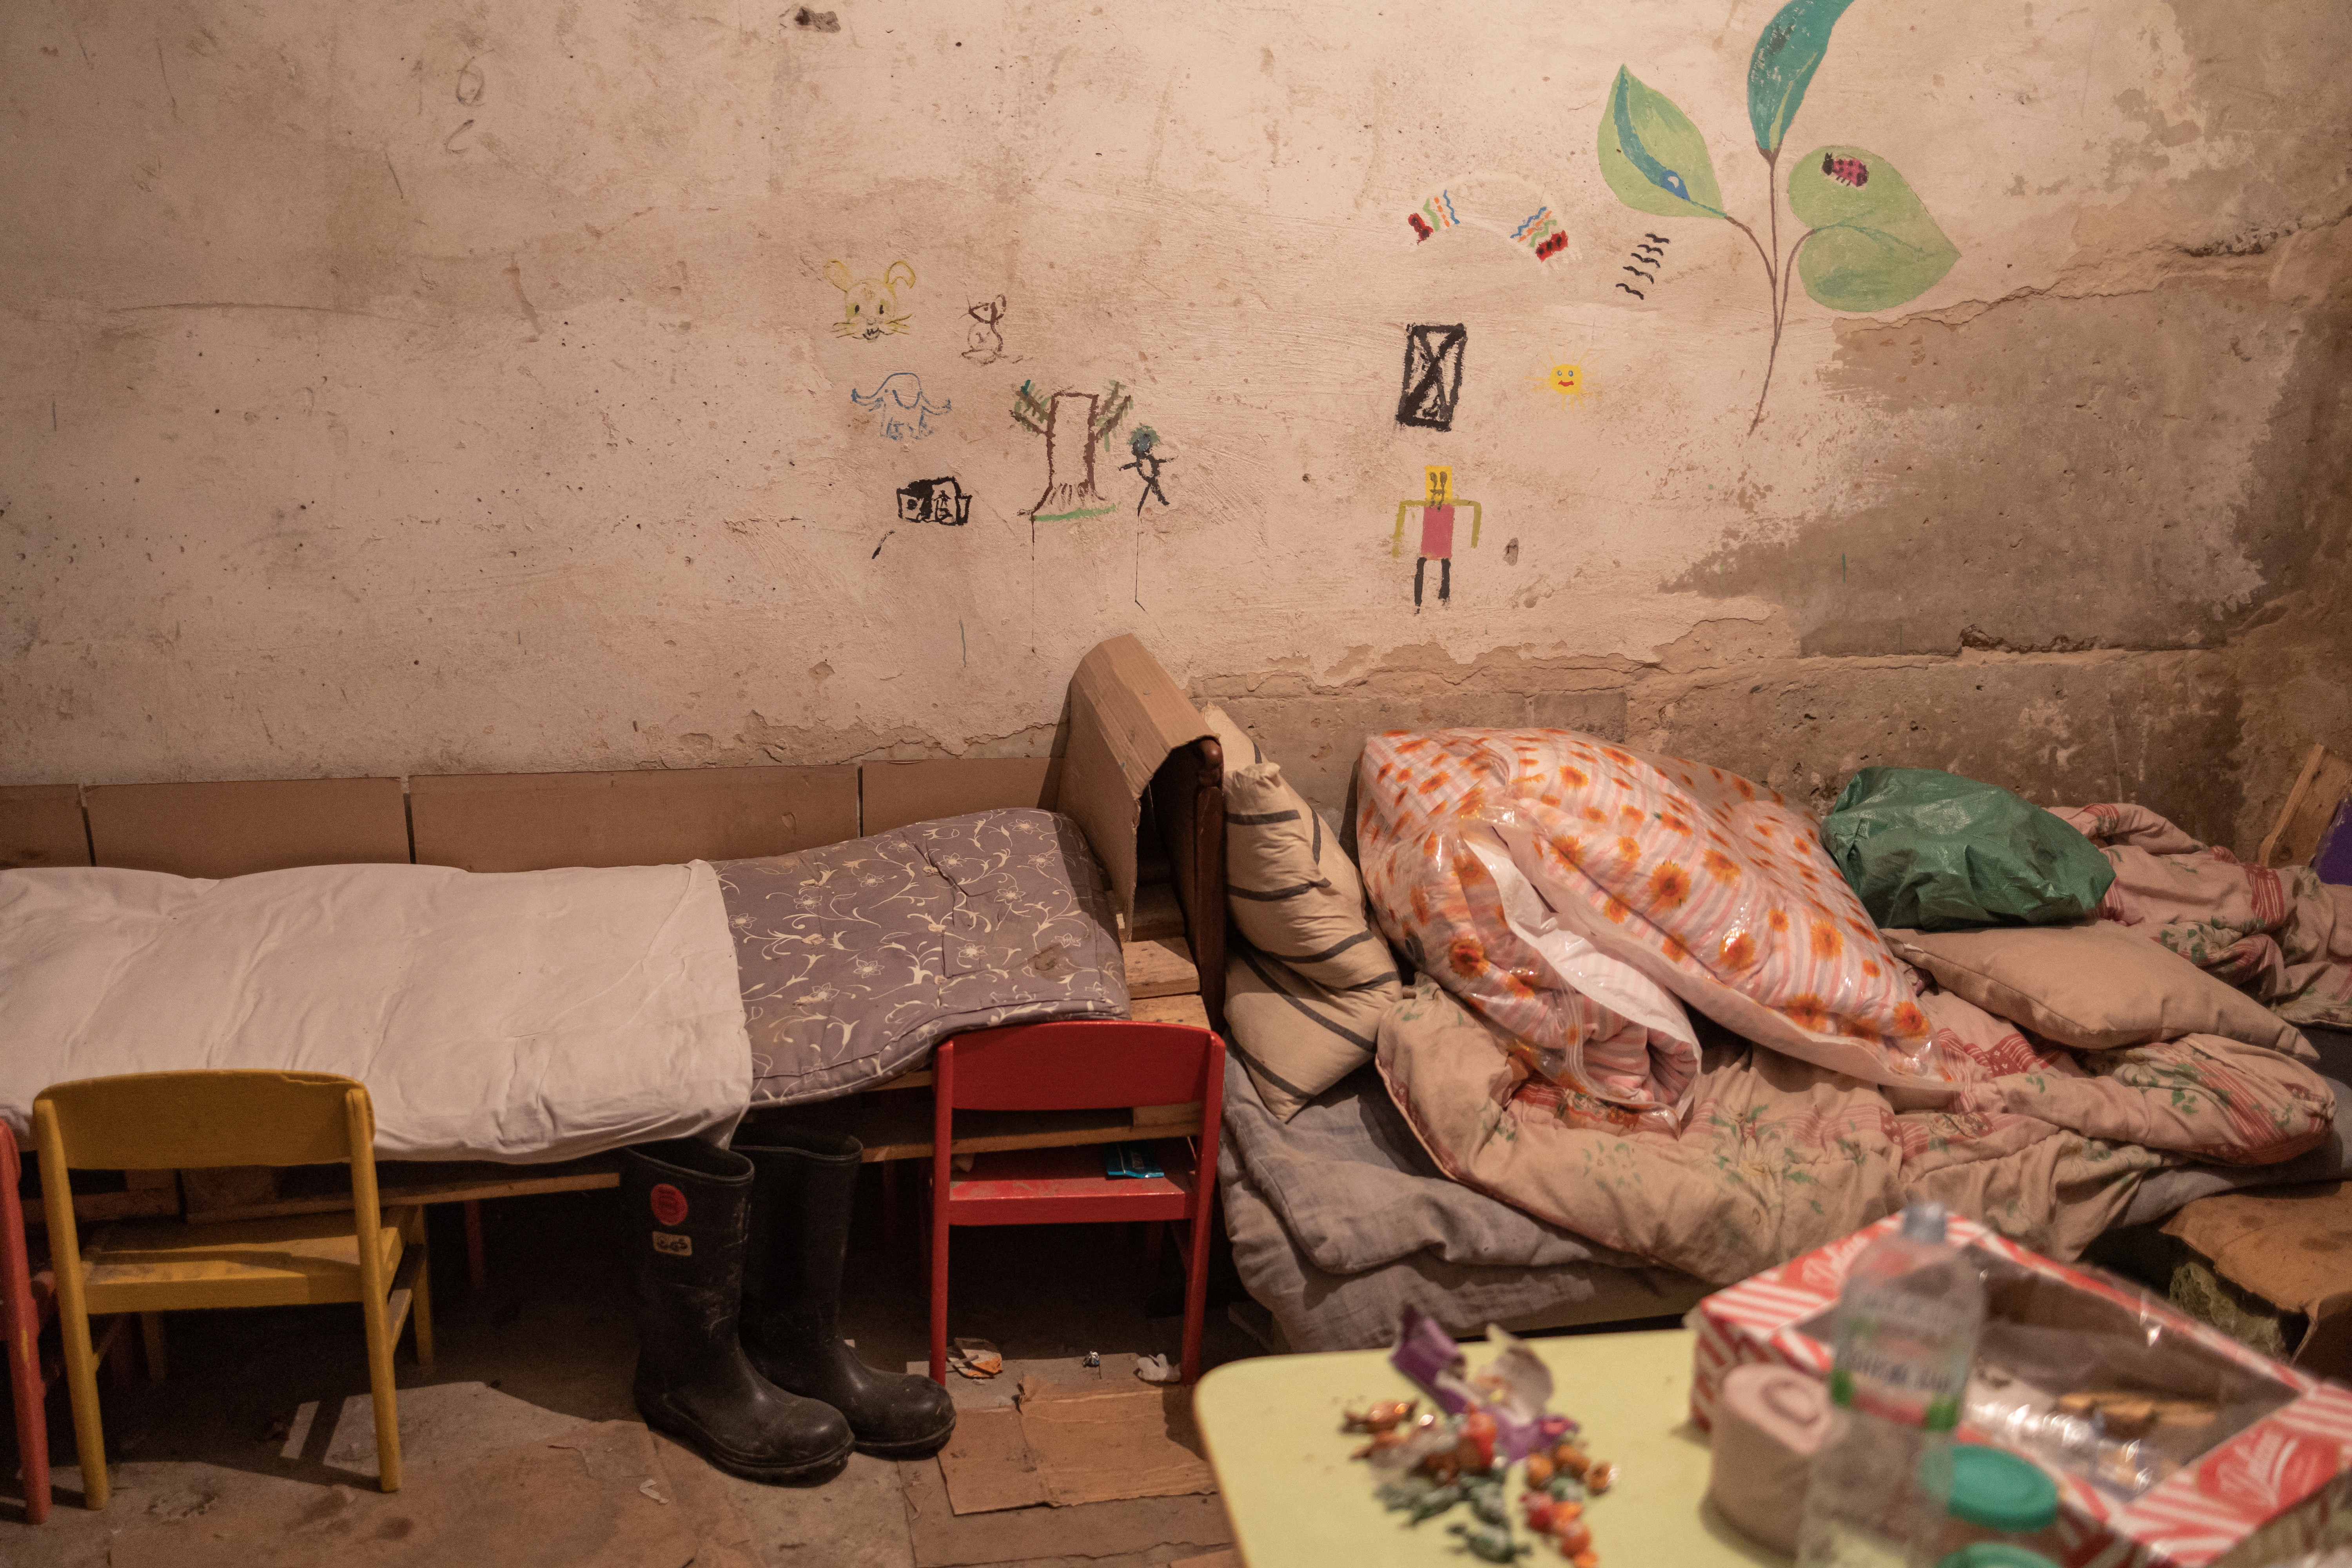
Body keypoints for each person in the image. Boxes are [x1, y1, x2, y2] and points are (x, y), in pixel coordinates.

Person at [1392, 465, 1482, 610]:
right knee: (1426, 564)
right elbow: (1404, 506)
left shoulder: (1447, 505)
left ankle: (1440, 598)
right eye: (1434, 481)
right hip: (1429, 547)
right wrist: (1397, 540)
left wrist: (1475, 539)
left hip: (1442, 547)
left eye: (1443, 481)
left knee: (1441, 564)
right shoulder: (1429, 505)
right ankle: (1421, 602)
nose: (1438, 489)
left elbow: (1476, 507)